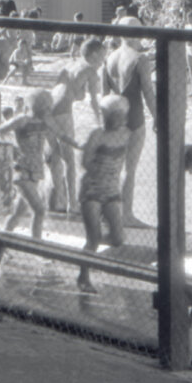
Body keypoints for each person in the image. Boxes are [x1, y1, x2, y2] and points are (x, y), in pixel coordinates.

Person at [0, 89, 80, 240]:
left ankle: (1, 243)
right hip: (22, 171)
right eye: (45, 108)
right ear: (36, 107)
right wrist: (10, 146)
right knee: (39, 210)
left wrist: (78, 145)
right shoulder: (22, 120)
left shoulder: (46, 121)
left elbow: (61, 135)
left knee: (17, 213)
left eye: (48, 108)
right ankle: (37, 246)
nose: (48, 111)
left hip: (36, 172)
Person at [101, 21, 158, 226]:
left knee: (112, 167)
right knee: (129, 169)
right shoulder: (140, 59)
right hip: (133, 117)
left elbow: (104, 95)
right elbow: (148, 93)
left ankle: (107, 210)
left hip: (113, 117)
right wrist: (157, 117)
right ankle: (126, 214)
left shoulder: (109, 58)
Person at [76, 95, 131, 291]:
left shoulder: (126, 134)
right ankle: (83, 277)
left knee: (117, 239)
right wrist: (98, 168)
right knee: (92, 238)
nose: (119, 119)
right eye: (114, 116)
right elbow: (84, 162)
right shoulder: (97, 135)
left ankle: (87, 254)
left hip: (112, 189)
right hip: (92, 189)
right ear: (106, 116)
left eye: (121, 115)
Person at [47, 37, 107, 215]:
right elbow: (94, 102)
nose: (103, 60)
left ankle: (58, 200)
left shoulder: (70, 64)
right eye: (103, 56)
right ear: (95, 55)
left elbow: (60, 87)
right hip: (63, 111)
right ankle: (72, 203)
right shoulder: (90, 70)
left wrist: (78, 94)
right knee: (69, 159)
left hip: (48, 109)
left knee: (55, 157)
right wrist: (100, 123)